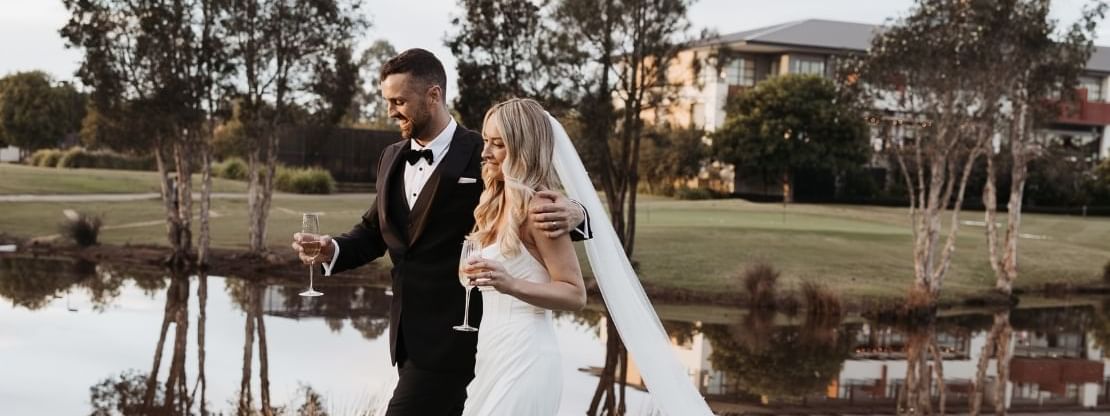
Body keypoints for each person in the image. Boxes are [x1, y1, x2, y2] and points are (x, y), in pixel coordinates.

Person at [289, 48, 590, 416]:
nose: (390, 111)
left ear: (433, 95)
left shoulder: (486, 151)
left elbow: (534, 205)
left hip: (466, 338)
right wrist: (330, 248)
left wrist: (577, 213)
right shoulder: (391, 157)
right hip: (411, 338)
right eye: (387, 101)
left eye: (399, 101)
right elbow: (374, 231)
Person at [459, 98, 586, 415]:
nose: (485, 152)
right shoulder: (496, 204)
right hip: (491, 352)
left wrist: (510, 283)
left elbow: (574, 294)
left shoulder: (542, 208)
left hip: (527, 355)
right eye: (486, 141)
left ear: (522, 149)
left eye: (497, 144)